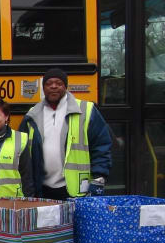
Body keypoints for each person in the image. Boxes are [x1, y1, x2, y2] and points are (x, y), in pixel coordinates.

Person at [18, 68, 113, 200]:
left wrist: (98, 177)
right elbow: (21, 151)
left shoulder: (86, 110)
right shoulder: (32, 114)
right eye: (48, 83)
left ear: (66, 86)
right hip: (42, 190)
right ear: (43, 88)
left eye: (59, 83)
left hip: (76, 191)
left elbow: (101, 145)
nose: (53, 86)